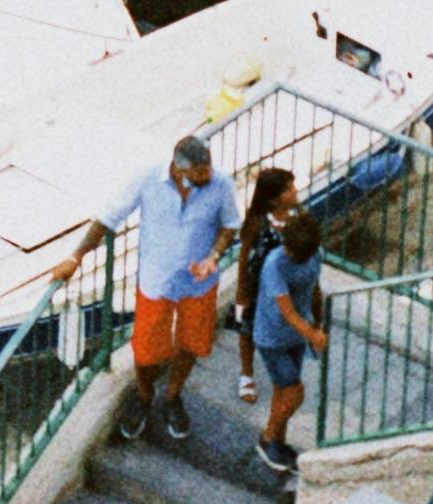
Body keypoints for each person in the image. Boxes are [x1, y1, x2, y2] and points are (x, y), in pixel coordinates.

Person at [52, 133, 241, 443]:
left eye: (208, 171)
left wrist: (213, 256)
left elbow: (230, 224)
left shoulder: (221, 183)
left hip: (199, 282)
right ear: (179, 169)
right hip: (157, 280)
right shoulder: (147, 178)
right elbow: (108, 218)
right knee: (147, 351)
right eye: (199, 174)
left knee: (191, 343)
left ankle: (173, 396)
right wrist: (76, 257)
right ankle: (143, 396)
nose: (207, 178)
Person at [252, 208, 327, 478]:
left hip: (296, 336)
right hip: (272, 337)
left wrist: (319, 319)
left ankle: (277, 443)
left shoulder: (314, 256)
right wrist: (314, 335)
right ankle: (268, 438)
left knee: (283, 391)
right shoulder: (274, 265)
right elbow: (288, 311)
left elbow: (313, 288)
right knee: (294, 393)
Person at [233, 165, 298, 403]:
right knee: (247, 330)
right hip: (257, 287)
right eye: (288, 189)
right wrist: (242, 292)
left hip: (284, 287)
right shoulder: (257, 223)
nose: (294, 191)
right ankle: (246, 373)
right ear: (273, 199)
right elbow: (244, 257)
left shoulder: (297, 219)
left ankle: (281, 373)